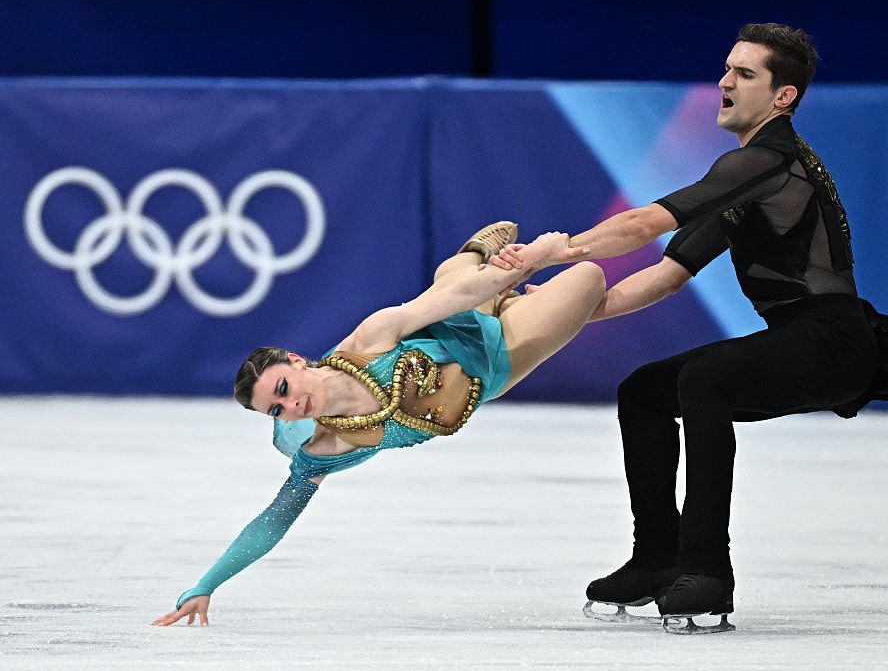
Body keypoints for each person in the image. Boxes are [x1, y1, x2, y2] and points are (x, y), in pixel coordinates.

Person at [492, 23, 888, 633]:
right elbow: (666, 276)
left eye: (745, 73)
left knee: (706, 379)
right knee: (645, 392)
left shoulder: (768, 160)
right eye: (728, 68)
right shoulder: (747, 177)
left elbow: (643, 225)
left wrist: (551, 253)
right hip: (804, 338)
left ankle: (706, 572)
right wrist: (566, 308)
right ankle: (656, 559)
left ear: (783, 96)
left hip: (833, 340)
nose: (725, 81)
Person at [152, 221, 606, 627]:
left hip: (452, 322)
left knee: (460, 287)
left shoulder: (368, 340)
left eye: (284, 389)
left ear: (296, 360)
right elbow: (273, 521)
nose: (291, 406)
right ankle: (497, 285)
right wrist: (206, 584)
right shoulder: (322, 449)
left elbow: (457, 300)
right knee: (584, 284)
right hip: (491, 365)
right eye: (276, 409)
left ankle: (476, 255)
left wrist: (535, 257)